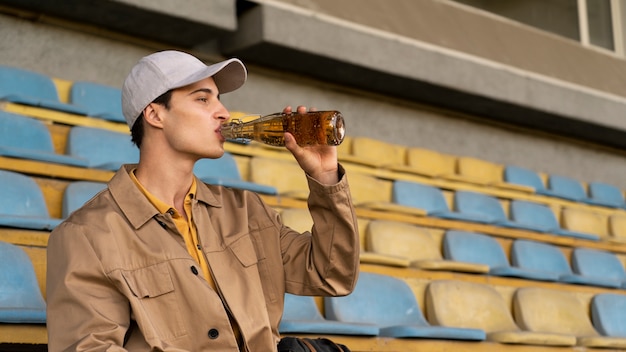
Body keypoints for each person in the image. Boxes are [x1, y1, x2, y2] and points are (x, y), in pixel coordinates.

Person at [46, 50, 360, 351]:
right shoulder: (86, 236)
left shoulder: (248, 212)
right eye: (202, 99)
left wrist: (326, 177)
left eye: (219, 99)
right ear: (155, 114)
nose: (223, 112)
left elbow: (331, 275)